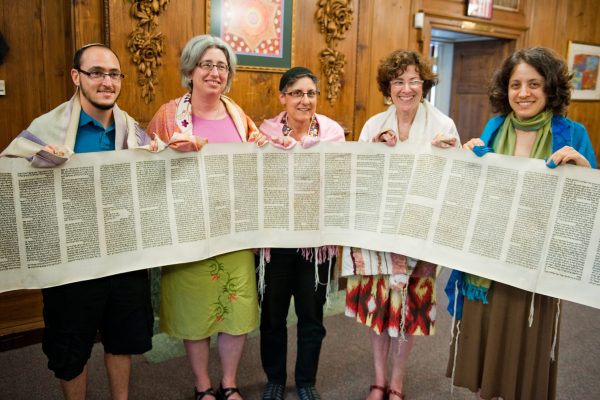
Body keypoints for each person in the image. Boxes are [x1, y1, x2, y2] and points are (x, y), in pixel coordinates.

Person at [0, 43, 154, 400]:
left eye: (114, 74)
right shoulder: (47, 128)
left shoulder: (131, 130)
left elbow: (150, 182)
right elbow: (9, 179)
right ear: (76, 77)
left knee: (122, 339)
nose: (107, 81)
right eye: (96, 72)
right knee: (71, 348)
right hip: (70, 263)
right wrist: (35, 166)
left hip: (122, 256)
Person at [445, 47, 596, 400]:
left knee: (524, 348)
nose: (523, 93)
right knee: (487, 342)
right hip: (489, 261)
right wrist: (467, 158)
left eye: (534, 84)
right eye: (515, 85)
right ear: (505, 89)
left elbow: (588, 211)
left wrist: (583, 170)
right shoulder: (495, 127)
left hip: (535, 267)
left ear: (550, 88)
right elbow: (480, 189)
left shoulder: (573, 133)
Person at [146, 34, 266, 400]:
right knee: (195, 312)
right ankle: (202, 386)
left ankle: (229, 383)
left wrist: (261, 148)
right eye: (207, 64)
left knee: (236, 309)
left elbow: (256, 162)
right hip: (189, 234)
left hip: (233, 233)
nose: (215, 72)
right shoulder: (169, 115)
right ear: (191, 70)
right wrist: (163, 150)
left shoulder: (237, 114)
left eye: (222, 66)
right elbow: (146, 168)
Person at [341, 49, 460, 400]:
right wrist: (376, 149)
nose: (405, 89)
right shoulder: (374, 125)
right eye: (398, 81)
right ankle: (378, 380)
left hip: (418, 234)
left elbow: (455, 180)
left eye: (413, 81)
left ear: (424, 85)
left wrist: (446, 154)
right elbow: (358, 177)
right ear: (388, 87)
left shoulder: (443, 125)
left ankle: (397, 382)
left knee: (406, 311)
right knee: (379, 310)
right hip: (378, 235)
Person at [257, 66, 345, 400]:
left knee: (312, 317)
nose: (304, 100)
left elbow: (341, 182)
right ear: (282, 97)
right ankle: (275, 379)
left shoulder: (333, 133)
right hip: (276, 243)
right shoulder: (263, 133)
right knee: (272, 317)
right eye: (296, 93)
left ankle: (306, 381)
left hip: (315, 244)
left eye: (310, 93)